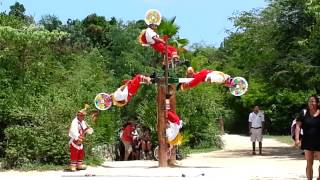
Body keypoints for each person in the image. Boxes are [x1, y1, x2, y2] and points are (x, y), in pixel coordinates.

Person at [295, 95, 320, 180]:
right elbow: (298, 126)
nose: (311, 103)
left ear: (317, 103)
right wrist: (297, 139)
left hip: (319, 141)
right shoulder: (304, 112)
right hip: (307, 141)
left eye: (313, 101)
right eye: (309, 101)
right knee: (309, 163)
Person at [67, 105, 93, 171]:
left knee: (81, 152)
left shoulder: (83, 121)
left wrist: (89, 129)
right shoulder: (74, 122)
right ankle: (73, 166)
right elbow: (72, 130)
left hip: (81, 139)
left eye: (84, 116)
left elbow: (85, 129)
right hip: (75, 140)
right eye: (82, 116)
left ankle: (79, 165)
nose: (83, 117)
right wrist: (77, 138)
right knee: (74, 152)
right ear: (78, 115)